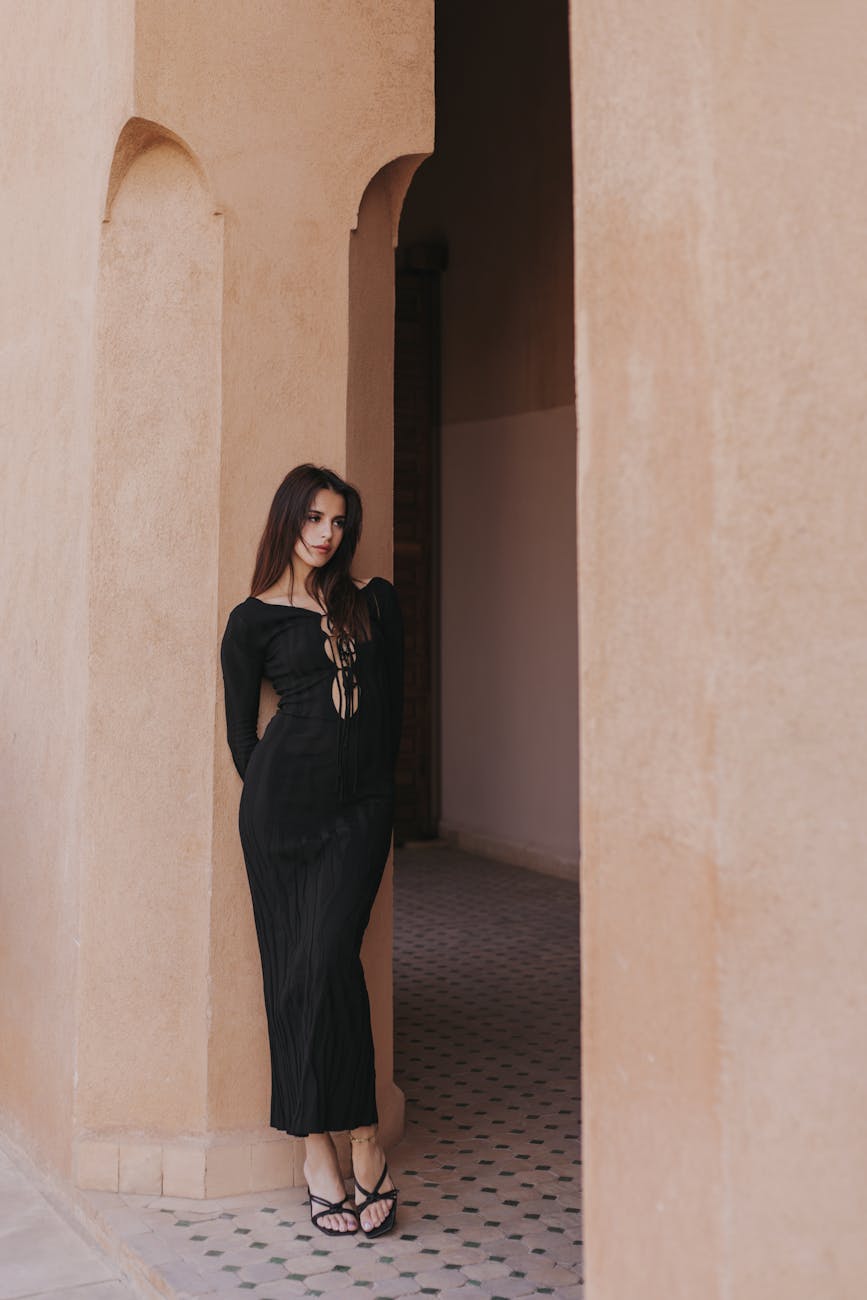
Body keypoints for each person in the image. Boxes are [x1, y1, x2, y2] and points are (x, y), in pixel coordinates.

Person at [219, 463, 403, 1238]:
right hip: (279, 818)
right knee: (292, 975)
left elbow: (391, 711)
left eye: (338, 522)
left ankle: (362, 1131)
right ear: (288, 520)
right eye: (314, 520)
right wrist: (276, 784)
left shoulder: (371, 604)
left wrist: (373, 796)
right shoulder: (251, 622)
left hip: (358, 814)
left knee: (328, 960)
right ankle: (315, 1150)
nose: (327, 535)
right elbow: (241, 735)